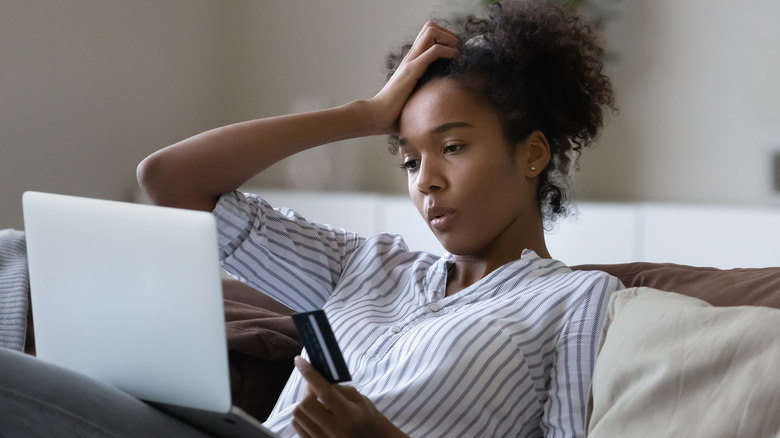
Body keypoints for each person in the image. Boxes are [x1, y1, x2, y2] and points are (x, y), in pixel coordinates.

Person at [140, 1, 621, 437]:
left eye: (452, 148)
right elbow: (169, 181)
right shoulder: (363, 265)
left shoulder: (576, 298)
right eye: (410, 161)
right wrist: (366, 114)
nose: (425, 181)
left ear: (532, 154)